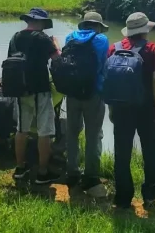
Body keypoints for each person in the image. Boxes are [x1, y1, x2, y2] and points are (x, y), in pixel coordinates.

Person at [108, 12, 155, 209]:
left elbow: (109, 81)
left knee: (122, 153)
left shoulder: (113, 48)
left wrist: (111, 109)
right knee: (150, 152)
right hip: (146, 109)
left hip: (120, 109)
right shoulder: (152, 49)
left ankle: (123, 198)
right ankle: (150, 197)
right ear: (145, 30)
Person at [9, 7, 62, 184]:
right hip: (40, 89)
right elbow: (57, 59)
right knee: (44, 131)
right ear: (40, 22)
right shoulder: (43, 38)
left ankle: (20, 168)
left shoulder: (15, 37)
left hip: (19, 89)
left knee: (21, 130)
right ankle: (42, 172)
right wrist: (56, 44)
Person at [63, 12, 110, 195]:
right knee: (93, 135)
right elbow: (103, 65)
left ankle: (72, 172)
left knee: (72, 133)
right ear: (98, 26)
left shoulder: (69, 37)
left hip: (72, 93)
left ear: (83, 25)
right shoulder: (101, 40)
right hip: (93, 93)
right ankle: (91, 176)